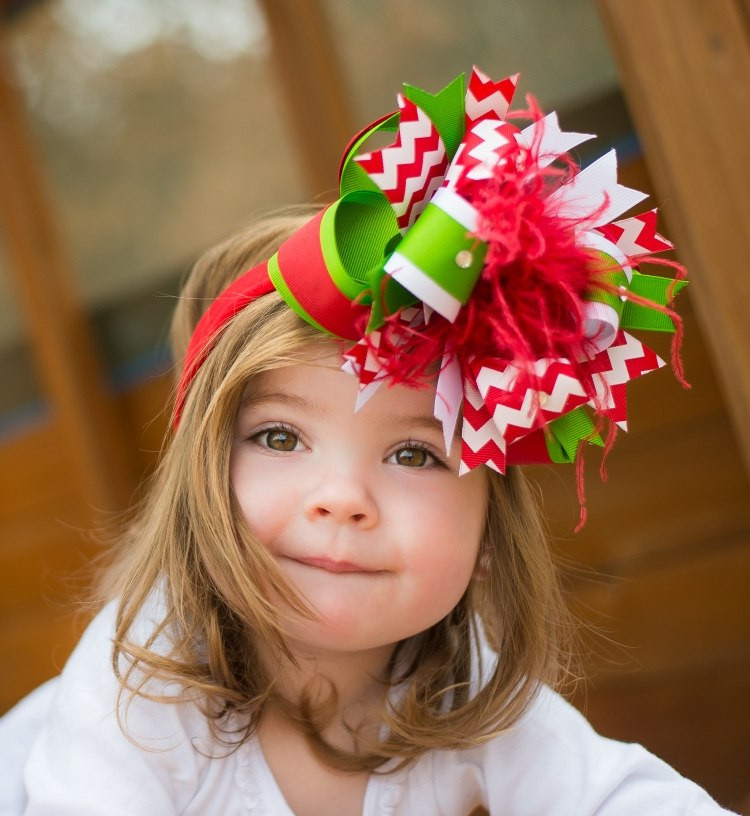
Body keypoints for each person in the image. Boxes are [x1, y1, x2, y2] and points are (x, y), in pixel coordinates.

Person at [0, 68, 737, 816]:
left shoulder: (459, 684)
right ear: (197, 483)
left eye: (415, 454)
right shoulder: (142, 683)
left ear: (487, 537)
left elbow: (624, 799)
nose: (343, 499)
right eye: (280, 436)